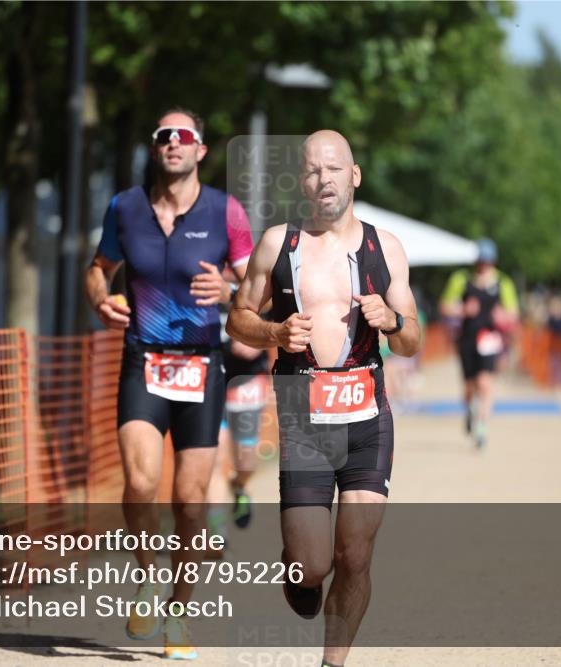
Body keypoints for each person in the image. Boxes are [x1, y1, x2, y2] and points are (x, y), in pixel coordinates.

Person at [227, 130, 421, 667]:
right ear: (302, 181)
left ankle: (332, 663)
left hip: (367, 421)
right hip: (304, 424)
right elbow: (238, 318)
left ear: (354, 175)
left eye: (334, 169)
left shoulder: (385, 248)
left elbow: (412, 341)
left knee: (354, 555)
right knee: (312, 566)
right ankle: (299, 568)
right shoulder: (278, 245)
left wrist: (393, 320)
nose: (324, 179)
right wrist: (274, 333)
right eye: (313, 170)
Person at [85, 108, 253, 661]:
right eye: (164, 135)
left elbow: (259, 288)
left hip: (202, 366)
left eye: (184, 136)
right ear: (155, 148)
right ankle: (148, 579)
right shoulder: (125, 208)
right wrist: (100, 300)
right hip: (144, 360)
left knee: (189, 502)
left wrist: (230, 294)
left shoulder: (226, 212)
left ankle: (179, 610)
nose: (174, 142)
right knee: (139, 481)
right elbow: (98, 268)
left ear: (200, 150)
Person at [439, 239, 518, 448]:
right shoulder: (462, 279)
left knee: (485, 383)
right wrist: (462, 310)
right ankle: (469, 410)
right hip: (466, 339)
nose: (484, 265)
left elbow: (513, 314)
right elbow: (444, 306)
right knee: (469, 387)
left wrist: (503, 317)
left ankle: (482, 427)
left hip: (489, 340)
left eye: (487, 261)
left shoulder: (503, 283)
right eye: (481, 261)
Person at [205, 333, 270, 546]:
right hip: (211, 378)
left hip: (247, 380)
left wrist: (261, 339)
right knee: (214, 459)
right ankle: (217, 530)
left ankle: (239, 485)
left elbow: (282, 324)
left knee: (246, 464)